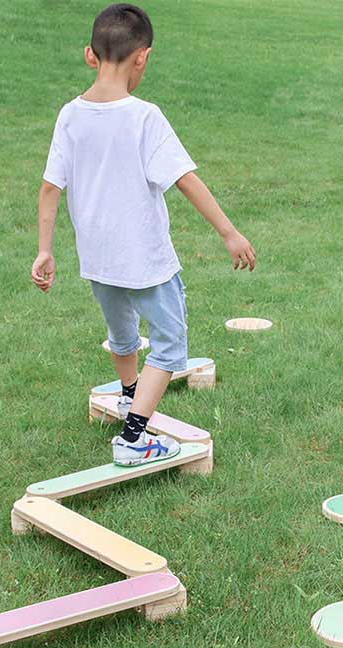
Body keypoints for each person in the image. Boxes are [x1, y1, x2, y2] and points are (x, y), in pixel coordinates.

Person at [31, 3, 256, 466]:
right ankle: (133, 437)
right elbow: (185, 179)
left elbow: (50, 187)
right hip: (146, 261)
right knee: (171, 344)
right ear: (142, 58)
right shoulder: (144, 116)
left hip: (98, 259)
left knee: (123, 336)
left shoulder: (69, 116)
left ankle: (129, 396)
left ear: (90, 55)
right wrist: (230, 233)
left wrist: (45, 251)